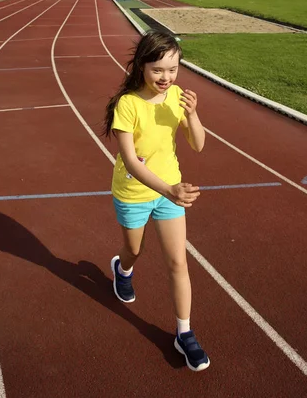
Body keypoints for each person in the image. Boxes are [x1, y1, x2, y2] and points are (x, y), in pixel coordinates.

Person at [104, 30, 210, 372]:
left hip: (170, 192)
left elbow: (198, 146)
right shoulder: (127, 104)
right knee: (134, 250)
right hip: (135, 193)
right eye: (158, 70)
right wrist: (169, 190)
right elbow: (132, 163)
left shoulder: (176, 95)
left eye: (173, 69)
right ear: (141, 67)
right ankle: (123, 269)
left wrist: (192, 115)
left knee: (178, 263)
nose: (166, 77)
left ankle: (184, 332)